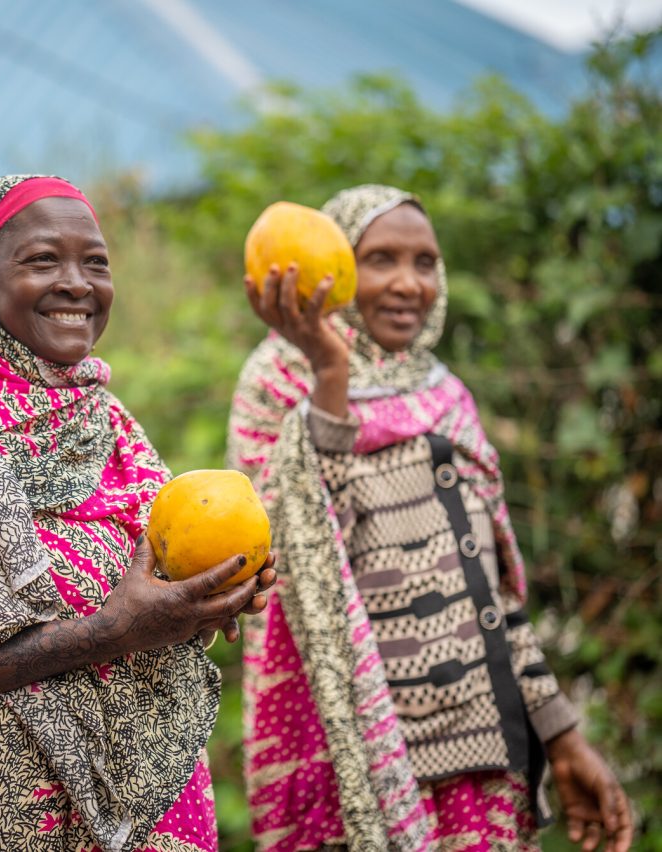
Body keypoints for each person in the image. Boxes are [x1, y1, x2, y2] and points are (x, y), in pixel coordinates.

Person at [0, 175, 278, 852]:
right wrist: (111, 631)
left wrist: (210, 597)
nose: (78, 283)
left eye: (96, 262)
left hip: (152, 809)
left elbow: (160, 591)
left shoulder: (108, 424)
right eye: (42, 260)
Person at [227, 184, 632, 851]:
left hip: (483, 747)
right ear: (336, 269)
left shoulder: (446, 397)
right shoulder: (278, 385)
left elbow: (493, 594)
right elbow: (282, 558)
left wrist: (561, 734)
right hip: (351, 756)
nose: (409, 283)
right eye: (381, 259)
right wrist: (330, 372)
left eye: (426, 262)